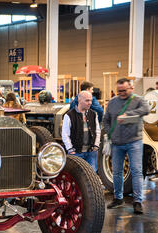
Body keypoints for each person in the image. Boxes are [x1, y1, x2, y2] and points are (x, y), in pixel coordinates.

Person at [103, 78, 150, 214]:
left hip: (134, 142)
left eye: (124, 90)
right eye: (119, 91)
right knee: (116, 172)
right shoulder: (112, 102)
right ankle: (118, 198)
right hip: (117, 143)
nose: (121, 93)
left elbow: (145, 109)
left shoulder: (138, 100)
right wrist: (109, 133)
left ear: (131, 88)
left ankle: (137, 201)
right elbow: (106, 120)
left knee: (136, 171)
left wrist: (128, 115)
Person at [62, 91, 100, 171]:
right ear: (79, 100)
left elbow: (97, 131)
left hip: (91, 152)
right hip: (76, 153)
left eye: (90, 100)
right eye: (87, 100)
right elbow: (65, 134)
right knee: (76, 176)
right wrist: (70, 149)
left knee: (92, 176)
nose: (90, 103)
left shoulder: (93, 114)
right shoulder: (69, 115)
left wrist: (96, 145)